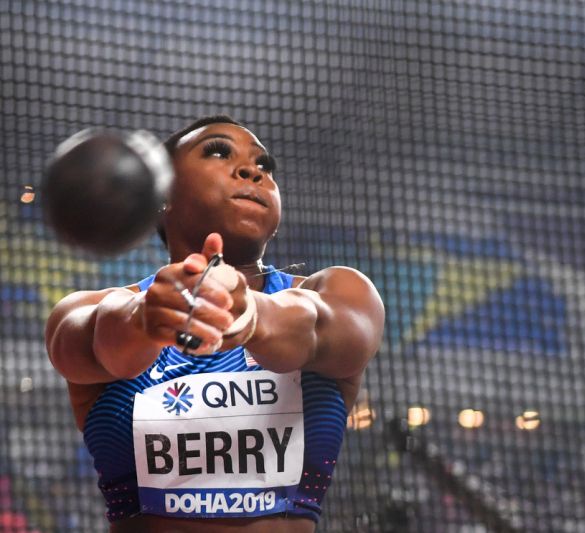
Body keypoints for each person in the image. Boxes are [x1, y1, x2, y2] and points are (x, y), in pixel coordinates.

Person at [45, 115, 385, 533]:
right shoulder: (95, 309)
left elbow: (315, 327)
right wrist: (146, 319)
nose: (254, 170)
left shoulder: (342, 293)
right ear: (161, 193)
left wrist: (249, 313)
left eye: (265, 165)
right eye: (219, 151)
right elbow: (97, 339)